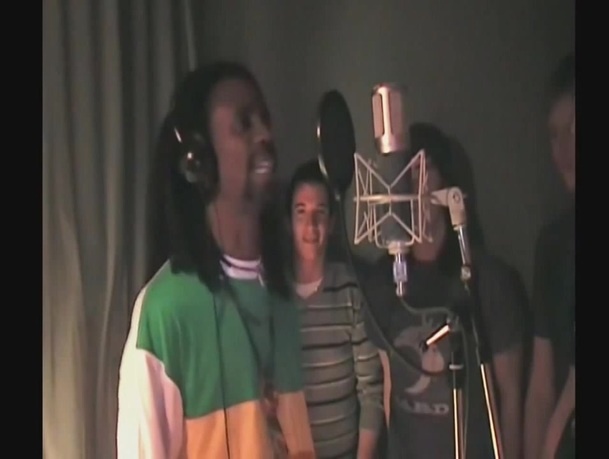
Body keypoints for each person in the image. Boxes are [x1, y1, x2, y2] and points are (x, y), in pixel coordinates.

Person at [116, 61, 315, 459]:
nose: (265, 135)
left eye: (264, 120)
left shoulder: (282, 296)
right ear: (199, 161)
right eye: (244, 123)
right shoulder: (165, 311)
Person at [362, 123, 527, 459]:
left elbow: (510, 396)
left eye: (422, 170)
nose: (414, 185)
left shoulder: (488, 281)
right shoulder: (383, 282)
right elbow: (389, 383)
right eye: (404, 174)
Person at [285, 160, 385, 459]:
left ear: (331, 223)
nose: (311, 225)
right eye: (301, 212)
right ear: (289, 222)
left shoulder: (350, 290)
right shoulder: (272, 294)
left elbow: (371, 392)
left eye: (320, 213)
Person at [523, 52, 575, 459]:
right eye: (555, 135)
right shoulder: (554, 244)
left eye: (575, 129)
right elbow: (542, 387)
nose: (564, 150)